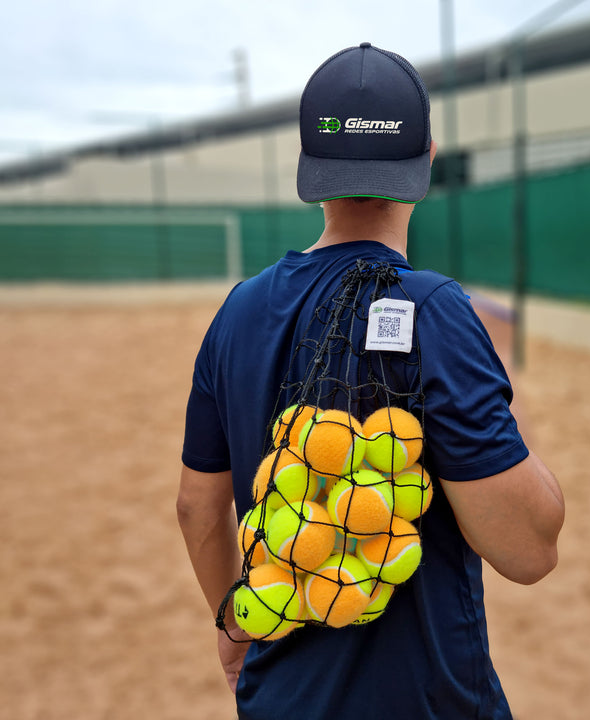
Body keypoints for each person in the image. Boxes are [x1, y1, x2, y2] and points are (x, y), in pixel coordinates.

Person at [177, 43, 564, 720]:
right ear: (428, 159)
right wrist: (509, 386)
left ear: (310, 168)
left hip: (278, 698)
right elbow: (528, 548)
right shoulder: (437, 311)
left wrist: (232, 628)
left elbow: (196, 508)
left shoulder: (236, 310)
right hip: (425, 702)